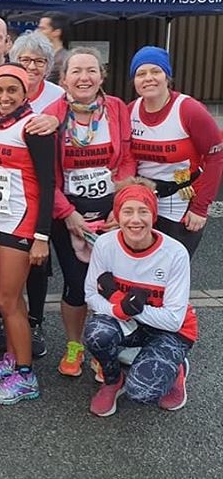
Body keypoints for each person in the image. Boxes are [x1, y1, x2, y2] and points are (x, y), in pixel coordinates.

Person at [43, 47, 136, 378]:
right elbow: (47, 175)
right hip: (69, 212)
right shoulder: (53, 114)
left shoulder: (117, 110)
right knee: (76, 284)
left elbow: (126, 157)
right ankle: (74, 345)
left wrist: (120, 205)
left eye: (91, 71)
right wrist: (67, 213)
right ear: (64, 78)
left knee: (109, 283)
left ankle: (104, 345)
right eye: (76, 71)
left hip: (110, 210)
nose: (84, 78)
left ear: (102, 75)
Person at [84, 178, 197, 417]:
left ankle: (176, 369)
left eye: (143, 211)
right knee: (97, 333)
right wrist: (121, 308)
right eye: (127, 211)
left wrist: (122, 302)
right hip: (129, 321)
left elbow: (174, 320)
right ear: (117, 214)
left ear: (153, 215)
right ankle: (113, 380)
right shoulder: (105, 245)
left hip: (171, 331)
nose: (135, 220)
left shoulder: (175, 253)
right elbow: (91, 295)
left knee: (142, 392)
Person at [0, 64, 55, 405]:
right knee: (6, 298)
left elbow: (49, 184)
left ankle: (26, 376)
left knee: (8, 300)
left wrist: (42, 235)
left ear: (26, 94)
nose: (5, 96)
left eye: (13, 90)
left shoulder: (34, 127)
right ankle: (11, 358)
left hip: (21, 224)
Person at [129, 46, 223, 257]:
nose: (148, 78)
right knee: (140, 265)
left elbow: (215, 158)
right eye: (141, 74)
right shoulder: (130, 110)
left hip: (182, 198)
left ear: (167, 76)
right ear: (134, 81)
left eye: (155, 71)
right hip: (144, 198)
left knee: (172, 268)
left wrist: (200, 208)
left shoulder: (190, 110)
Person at [8, 30, 64, 357]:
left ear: (48, 66)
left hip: (45, 191)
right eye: (24, 60)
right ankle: (9, 319)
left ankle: (36, 320)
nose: (31, 66)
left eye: (38, 61)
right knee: (7, 263)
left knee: (39, 263)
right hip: (11, 195)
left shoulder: (58, 96)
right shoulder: (0, 92)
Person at [37, 11, 71, 84]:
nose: (37, 32)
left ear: (56, 32)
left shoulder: (65, 58)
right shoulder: (40, 54)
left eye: (42, 29)